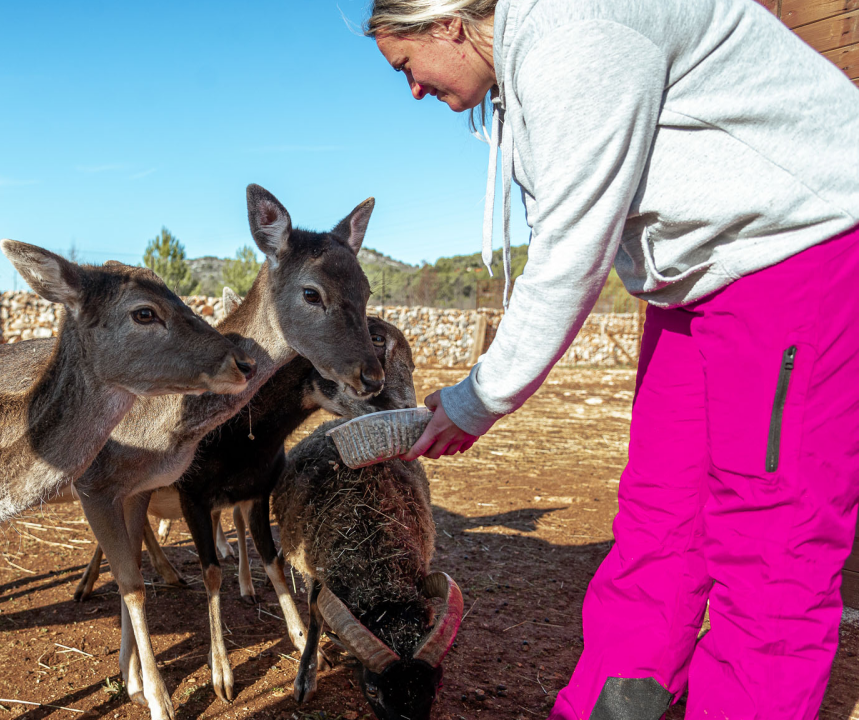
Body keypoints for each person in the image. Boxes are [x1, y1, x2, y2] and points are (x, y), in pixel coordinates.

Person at [365, 0, 859, 718]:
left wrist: (476, 400)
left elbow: (572, 253)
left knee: (770, 538)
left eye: (405, 66)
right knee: (662, 512)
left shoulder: (578, 27)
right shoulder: (534, 64)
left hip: (793, 254)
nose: (411, 88)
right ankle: (614, 704)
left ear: (445, 23)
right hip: (695, 281)